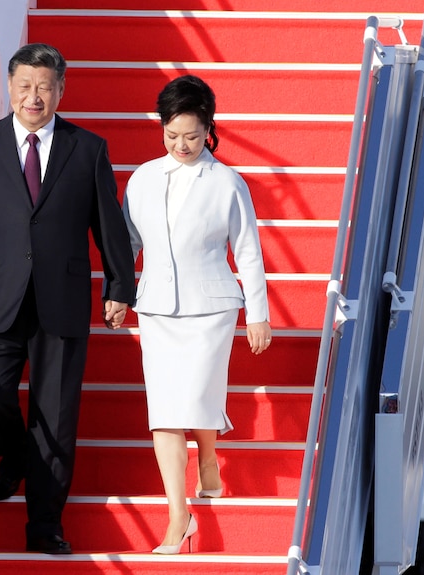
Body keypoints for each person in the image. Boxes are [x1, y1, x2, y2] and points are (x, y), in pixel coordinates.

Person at [0, 43, 135, 555]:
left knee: (55, 415)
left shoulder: (88, 148)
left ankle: (45, 526)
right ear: (9, 88)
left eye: (45, 86)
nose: (35, 96)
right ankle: (14, 457)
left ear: (60, 90)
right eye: (25, 86)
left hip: (63, 297)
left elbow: (109, 224)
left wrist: (120, 286)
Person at [122, 75, 272, 554]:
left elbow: (247, 250)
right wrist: (118, 292)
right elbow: (128, 243)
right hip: (157, 308)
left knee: (197, 394)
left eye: (191, 135)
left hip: (212, 308)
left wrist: (258, 313)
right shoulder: (143, 178)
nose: (181, 145)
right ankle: (177, 516)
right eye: (171, 135)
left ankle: (208, 454)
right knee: (165, 411)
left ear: (208, 129)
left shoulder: (227, 181)